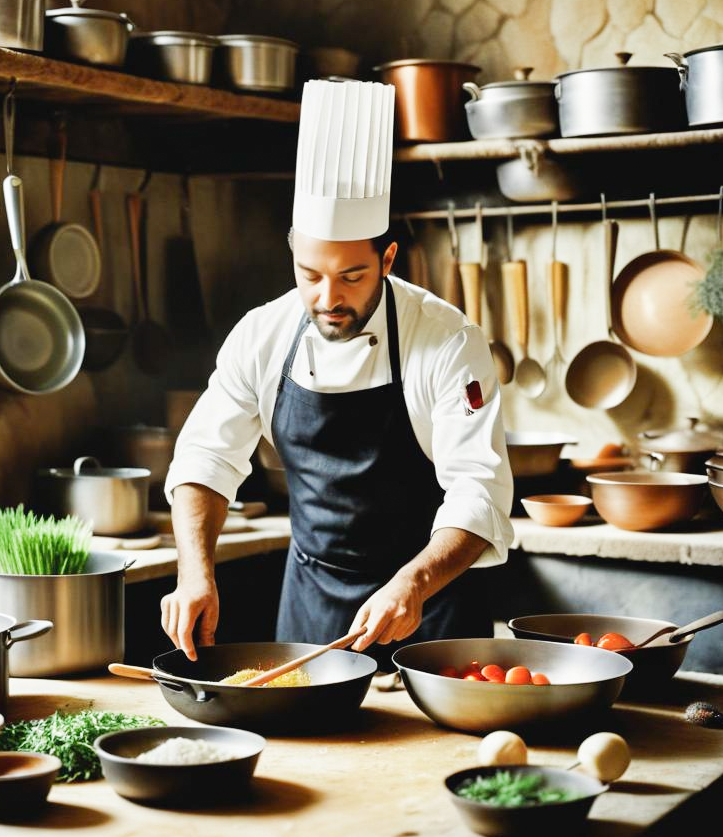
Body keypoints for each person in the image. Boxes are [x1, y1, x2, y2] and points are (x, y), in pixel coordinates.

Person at [161, 78, 513, 669]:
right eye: (310, 273)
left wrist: (413, 584)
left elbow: (480, 490)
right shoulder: (263, 333)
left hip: (432, 611)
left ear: (388, 259)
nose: (328, 297)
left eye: (352, 276)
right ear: (293, 250)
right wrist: (193, 572)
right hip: (312, 612)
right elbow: (204, 458)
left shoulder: (446, 338)